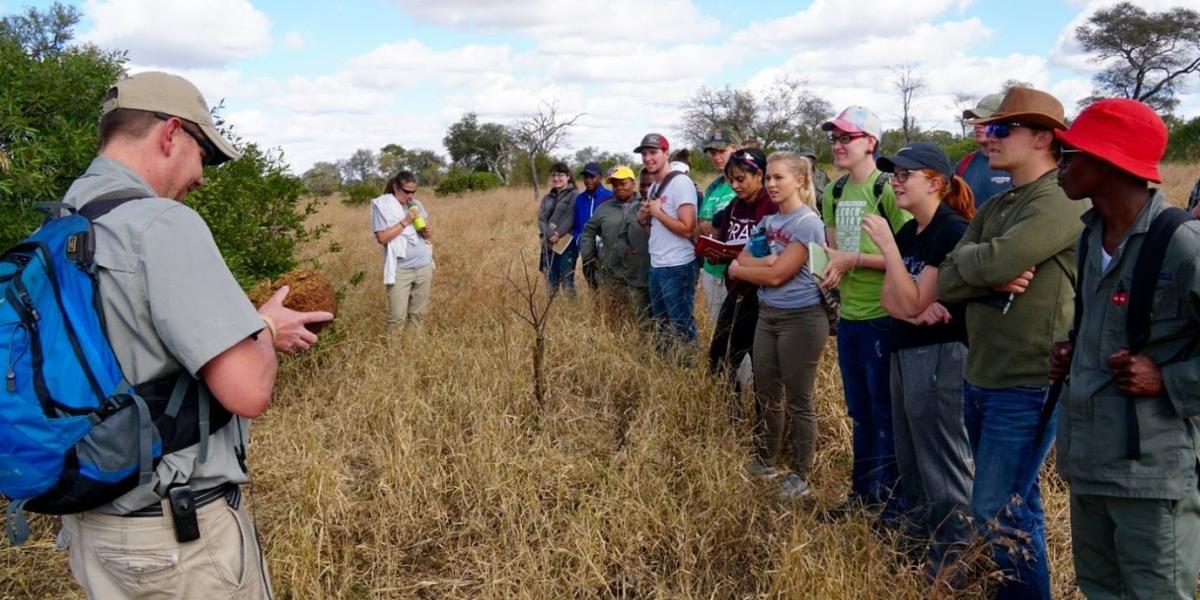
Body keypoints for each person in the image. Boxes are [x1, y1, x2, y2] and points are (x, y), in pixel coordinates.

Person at [55, 71, 332, 599]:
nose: (202, 177)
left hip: (92, 529)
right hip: (175, 544)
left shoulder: (64, 224)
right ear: (171, 134)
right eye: (205, 153)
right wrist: (267, 328)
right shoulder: (160, 225)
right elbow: (247, 390)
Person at [938, 87, 1088, 600]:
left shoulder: (1063, 200)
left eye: (1002, 128)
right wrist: (985, 272)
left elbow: (986, 263)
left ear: (1043, 137)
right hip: (982, 371)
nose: (987, 137)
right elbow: (947, 278)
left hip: (1027, 379)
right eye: (985, 127)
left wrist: (978, 267)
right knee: (1014, 507)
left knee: (997, 510)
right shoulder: (1001, 201)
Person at [1050, 98, 1200, 600]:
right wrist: (1077, 354)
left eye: (1070, 154)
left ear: (1108, 162)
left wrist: (1169, 379)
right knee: (1100, 590)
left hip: (1150, 474)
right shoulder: (1091, 238)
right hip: (1089, 461)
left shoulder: (1182, 244)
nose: (1060, 165)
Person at [862, 143, 975, 575]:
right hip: (905, 350)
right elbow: (891, 302)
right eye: (894, 173)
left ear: (935, 182)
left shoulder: (948, 230)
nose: (896, 180)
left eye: (906, 174)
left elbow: (908, 299)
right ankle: (924, 551)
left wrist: (890, 252)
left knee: (940, 460)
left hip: (939, 355)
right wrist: (911, 303)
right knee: (910, 458)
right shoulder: (914, 232)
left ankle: (956, 565)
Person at [819, 105, 911, 516]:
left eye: (846, 138)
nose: (838, 145)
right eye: (834, 139)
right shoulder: (833, 192)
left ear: (870, 143)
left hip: (883, 314)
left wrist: (852, 261)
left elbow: (909, 257)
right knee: (859, 412)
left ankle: (891, 504)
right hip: (851, 317)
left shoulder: (888, 188)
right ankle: (863, 495)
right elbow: (834, 251)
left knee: (884, 412)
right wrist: (831, 270)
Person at [729, 152, 828, 500]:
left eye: (779, 178)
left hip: (801, 318)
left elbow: (775, 273)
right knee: (768, 393)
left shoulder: (807, 223)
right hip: (767, 315)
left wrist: (749, 270)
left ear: (800, 181)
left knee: (799, 400)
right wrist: (758, 264)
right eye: (768, 178)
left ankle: (800, 474)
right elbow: (743, 257)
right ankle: (766, 460)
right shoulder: (768, 223)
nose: (770, 184)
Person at [703, 148, 776, 407]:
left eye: (741, 179)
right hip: (737, 290)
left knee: (762, 366)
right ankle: (731, 418)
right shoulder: (734, 206)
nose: (735, 185)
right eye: (731, 180)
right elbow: (724, 240)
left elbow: (775, 253)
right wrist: (716, 253)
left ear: (759, 175)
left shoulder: (772, 205)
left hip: (763, 296)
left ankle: (763, 428)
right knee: (719, 358)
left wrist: (738, 258)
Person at [634, 133, 699, 351]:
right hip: (657, 264)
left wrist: (658, 213)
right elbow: (654, 231)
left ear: (666, 154)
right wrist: (643, 219)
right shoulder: (653, 187)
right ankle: (669, 369)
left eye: (653, 153)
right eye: (644, 154)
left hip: (678, 266)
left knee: (681, 325)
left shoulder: (681, 183)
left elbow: (687, 228)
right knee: (661, 326)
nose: (648, 158)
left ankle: (688, 372)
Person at [371, 171, 434, 329]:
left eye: (413, 191)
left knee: (418, 315)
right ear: (395, 187)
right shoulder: (382, 206)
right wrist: (405, 221)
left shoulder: (416, 204)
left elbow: (426, 235)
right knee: (397, 318)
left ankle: (413, 351)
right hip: (400, 269)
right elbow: (382, 238)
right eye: (406, 191)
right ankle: (393, 353)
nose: (410, 195)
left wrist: (426, 231)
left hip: (423, 265)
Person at [581, 166, 637, 318]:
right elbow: (588, 231)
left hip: (639, 271)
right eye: (615, 185)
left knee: (639, 311)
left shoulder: (644, 205)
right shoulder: (604, 208)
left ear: (633, 183)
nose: (618, 188)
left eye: (623, 183)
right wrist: (588, 256)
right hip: (611, 269)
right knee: (612, 311)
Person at [697, 130, 739, 327]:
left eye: (722, 151)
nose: (716, 157)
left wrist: (713, 227)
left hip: (735, 270)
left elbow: (732, 227)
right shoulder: (713, 186)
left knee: (740, 332)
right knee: (719, 328)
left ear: (736, 149)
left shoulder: (744, 184)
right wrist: (712, 226)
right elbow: (701, 226)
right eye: (712, 153)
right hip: (711, 268)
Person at [956, 93, 1013, 208]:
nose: (978, 125)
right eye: (976, 119)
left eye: (985, 120)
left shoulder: (1019, 165)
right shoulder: (964, 164)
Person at [537, 161, 579, 296]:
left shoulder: (575, 195)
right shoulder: (547, 198)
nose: (556, 178)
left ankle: (571, 312)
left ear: (568, 176)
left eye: (560, 175)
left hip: (566, 244)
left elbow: (571, 217)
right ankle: (552, 313)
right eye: (554, 175)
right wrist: (549, 235)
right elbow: (541, 219)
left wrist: (558, 234)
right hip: (547, 244)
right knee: (550, 282)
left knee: (567, 283)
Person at [573, 161, 613, 290]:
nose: (588, 180)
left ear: (600, 177)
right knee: (592, 285)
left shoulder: (609, 197)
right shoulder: (580, 199)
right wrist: (579, 241)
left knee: (606, 286)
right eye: (586, 177)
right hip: (586, 250)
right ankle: (596, 309)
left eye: (592, 177)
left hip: (605, 251)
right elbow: (577, 224)